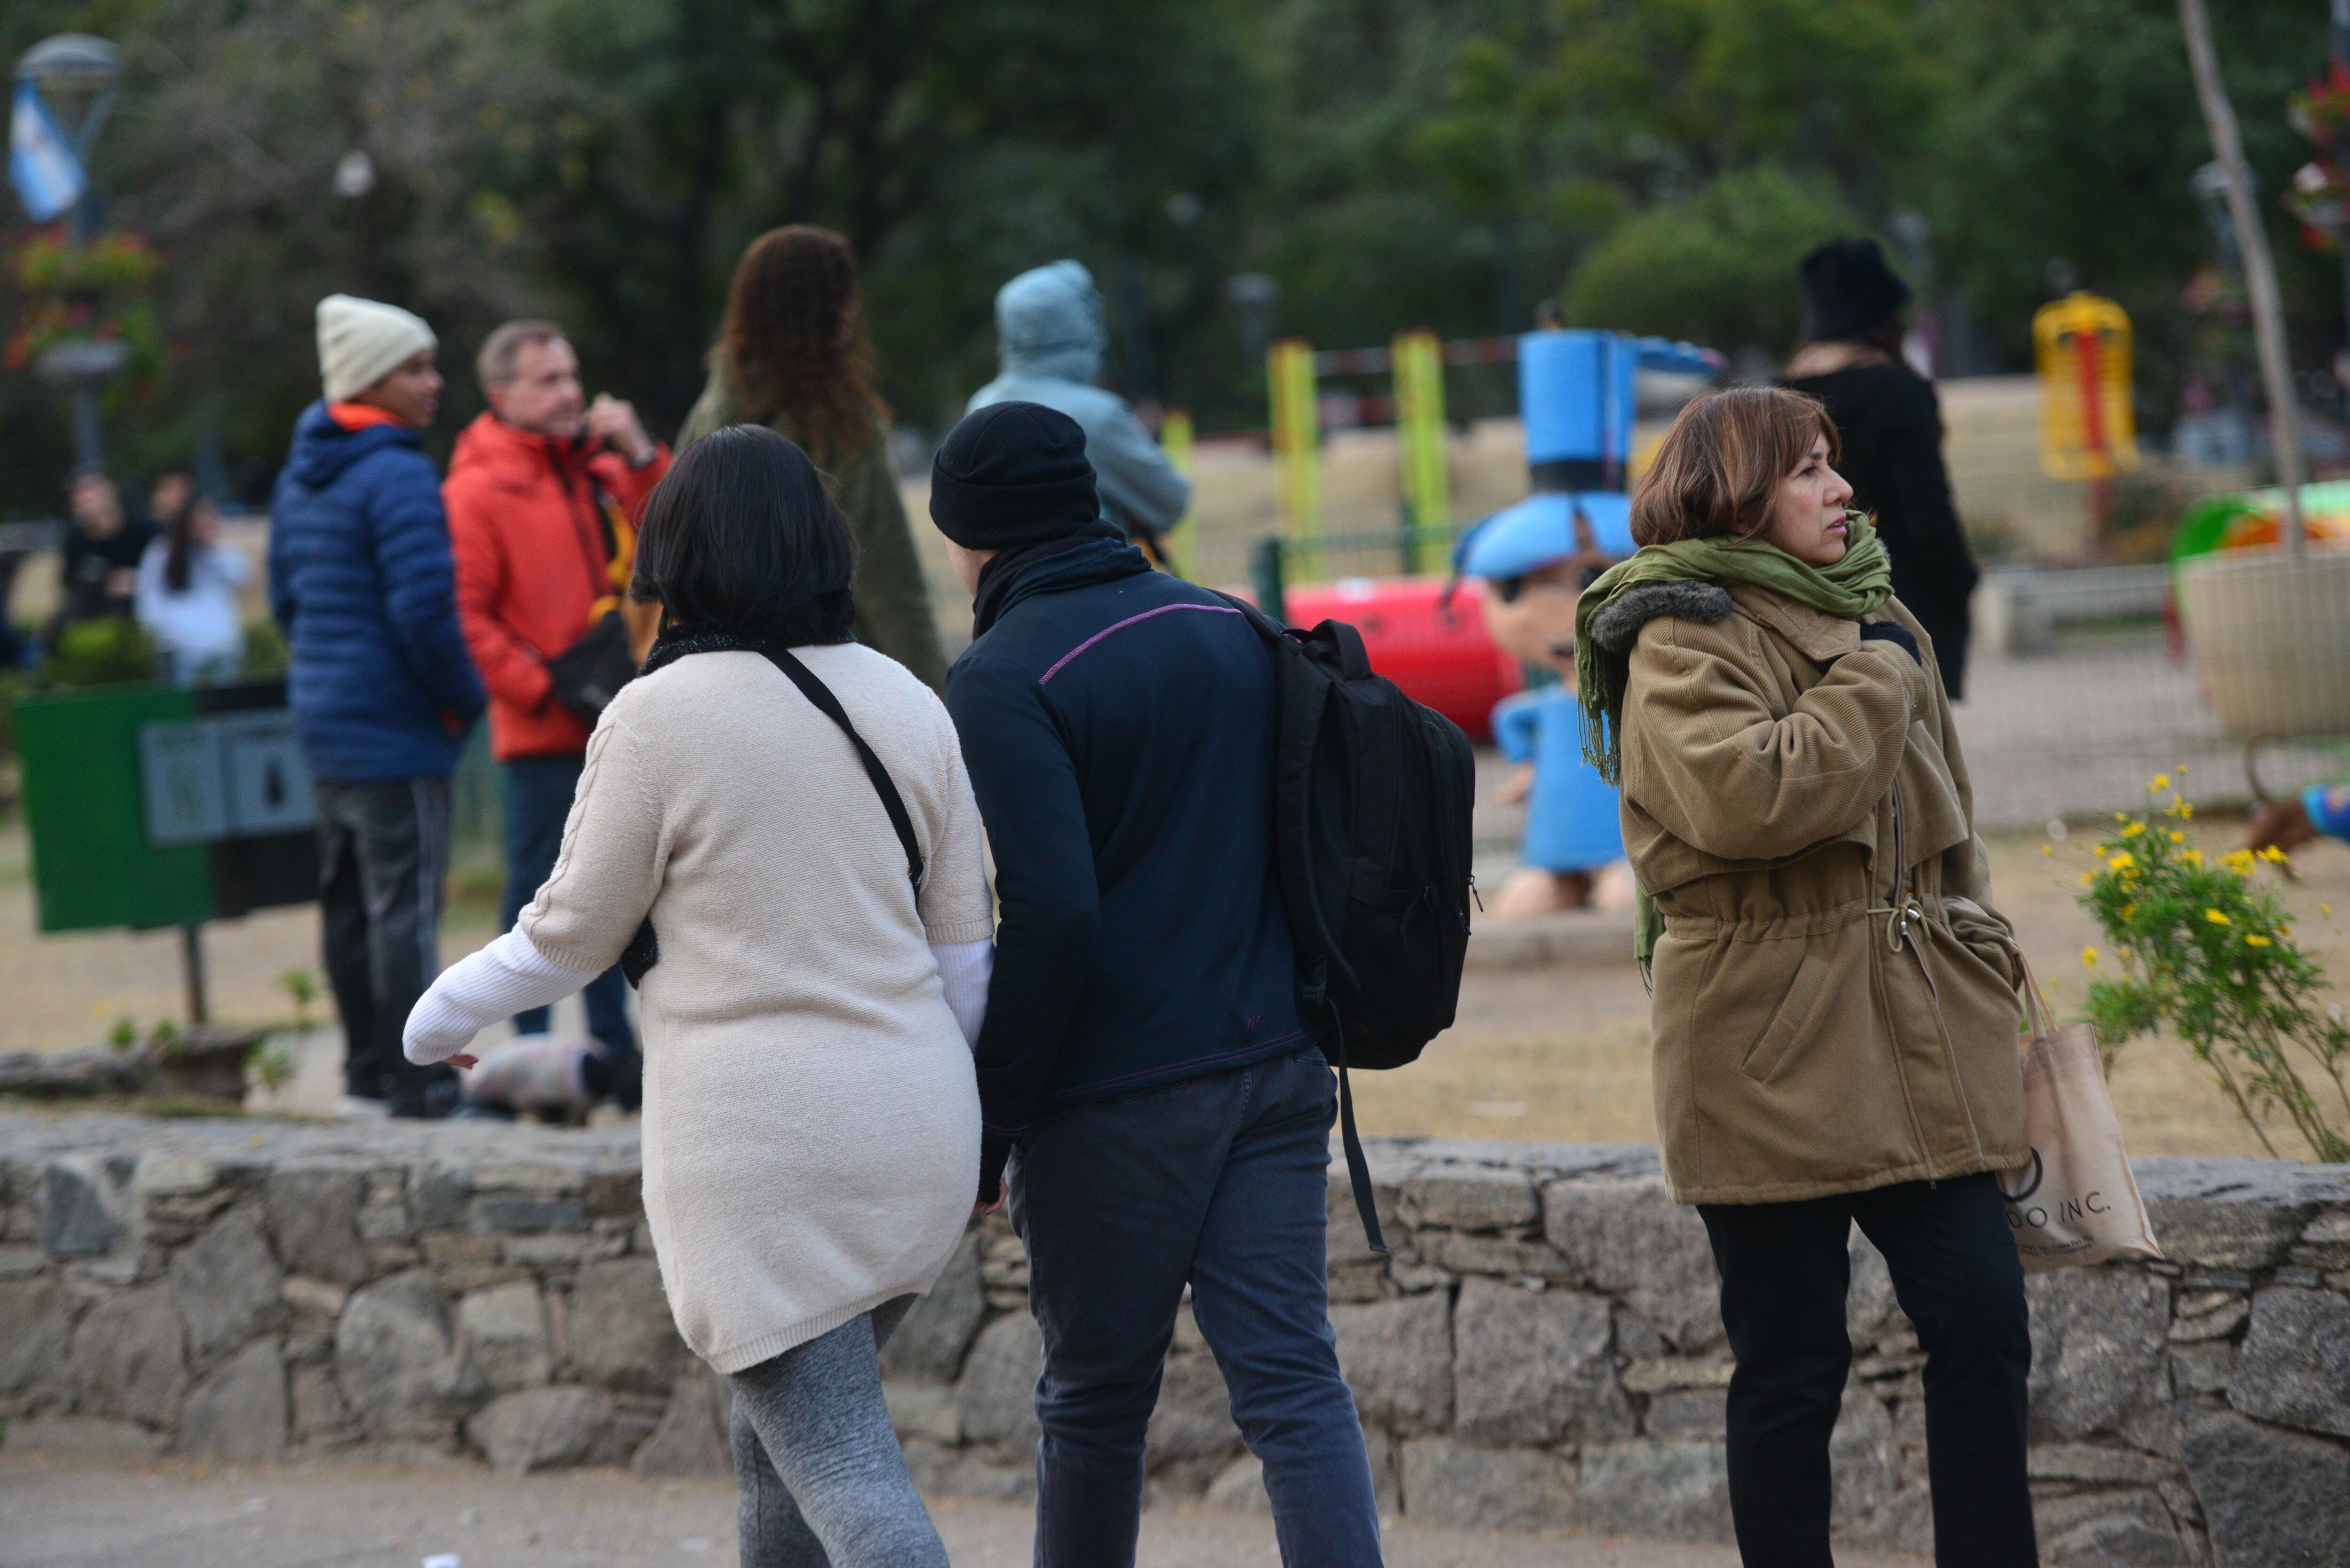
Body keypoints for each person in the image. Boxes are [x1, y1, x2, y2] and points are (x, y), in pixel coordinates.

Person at [404, 423, 992, 1568]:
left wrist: (435, 1021)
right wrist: (967, 1120)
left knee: (847, 1474)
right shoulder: (912, 702)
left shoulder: (654, 717)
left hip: (760, 1156)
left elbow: (567, 939)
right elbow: (966, 956)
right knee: (775, 1440)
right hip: (920, 1137)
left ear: (672, 549)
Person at [1574, 386, 2036, 1567]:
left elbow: (1950, 819)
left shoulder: (1879, 610)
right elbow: (1752, 797)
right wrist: (1875, 678)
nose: (1841, 489)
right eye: (1808, 471)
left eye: (1836, 465)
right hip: (1764, 1038)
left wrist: (1977, 950)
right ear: (1735, 493)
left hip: (1917, 1021)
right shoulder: (1678, 632)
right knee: (1790, 1359)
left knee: (1981, 1317)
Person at [932, 400, 1382, 1567]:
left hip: (1115, 1096)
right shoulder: (1228, 623)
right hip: (1275, 1062)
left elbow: (1055, 911)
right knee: (1293, 1385)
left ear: (970, 536)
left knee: (1092, 1402)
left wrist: (991, 1120)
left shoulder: (1000, 675)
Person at [269, 294, 486, 1118]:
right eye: (416, 368)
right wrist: (463, 700)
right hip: (395, 731)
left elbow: (287, 602)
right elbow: (425, 612)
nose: (434, 383)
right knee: (406, 908)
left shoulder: (300, 474)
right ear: (370, 379)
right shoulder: (396, 471)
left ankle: (364, 1073)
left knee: (349, 905)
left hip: (324, 724)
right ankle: (420, 1077)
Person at [446, 319, 672, 1099]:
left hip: (618, 719)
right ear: (502, 394)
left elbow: (673, 534)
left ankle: (614, 1055)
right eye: (548, 380)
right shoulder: (477, 489)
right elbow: (470, 618)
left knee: (622, 888)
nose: (570, 392)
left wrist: (642, 456)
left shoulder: (601, 470)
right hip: (543, 730)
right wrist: (542, 690)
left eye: (572, 374)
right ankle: (530, 1055)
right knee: (537, 892)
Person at [677, 226, 948, 689]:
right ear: (822, 313)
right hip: (832, 678)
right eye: (843, 299)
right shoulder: (839, 422)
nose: (851, 313)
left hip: (719, 676)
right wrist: (934, 693)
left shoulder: (709, 415)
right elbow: (888, 575)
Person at [1782, 238, 1982, 699]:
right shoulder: (1895, 391)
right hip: (1898, 601)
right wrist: (1959, 581)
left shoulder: (1778, 396)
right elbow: (1927, 509)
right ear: (1884, 315)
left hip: (1808, 605)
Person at [967, 260, 1191, 561]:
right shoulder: (1097, 415)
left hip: (1007, 594)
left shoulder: (980, 406)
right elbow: (1170, 502)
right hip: (1094, 587)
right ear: (1079, 324)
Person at [135, 482, 249, 682]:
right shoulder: (161, 553)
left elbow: (242, 576)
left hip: (223, 652)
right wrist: (173, 639)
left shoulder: (220, 553)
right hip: (182, 656)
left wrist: (213, 547)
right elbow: (149, 605)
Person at [48, 470, 154, 641]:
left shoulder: (142, 532)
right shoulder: (76, 542)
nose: (86, 507)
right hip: (94, 610)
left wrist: (137, 581)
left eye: (91, 499)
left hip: (140, 605)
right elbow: (68, 583)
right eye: (80, 502)